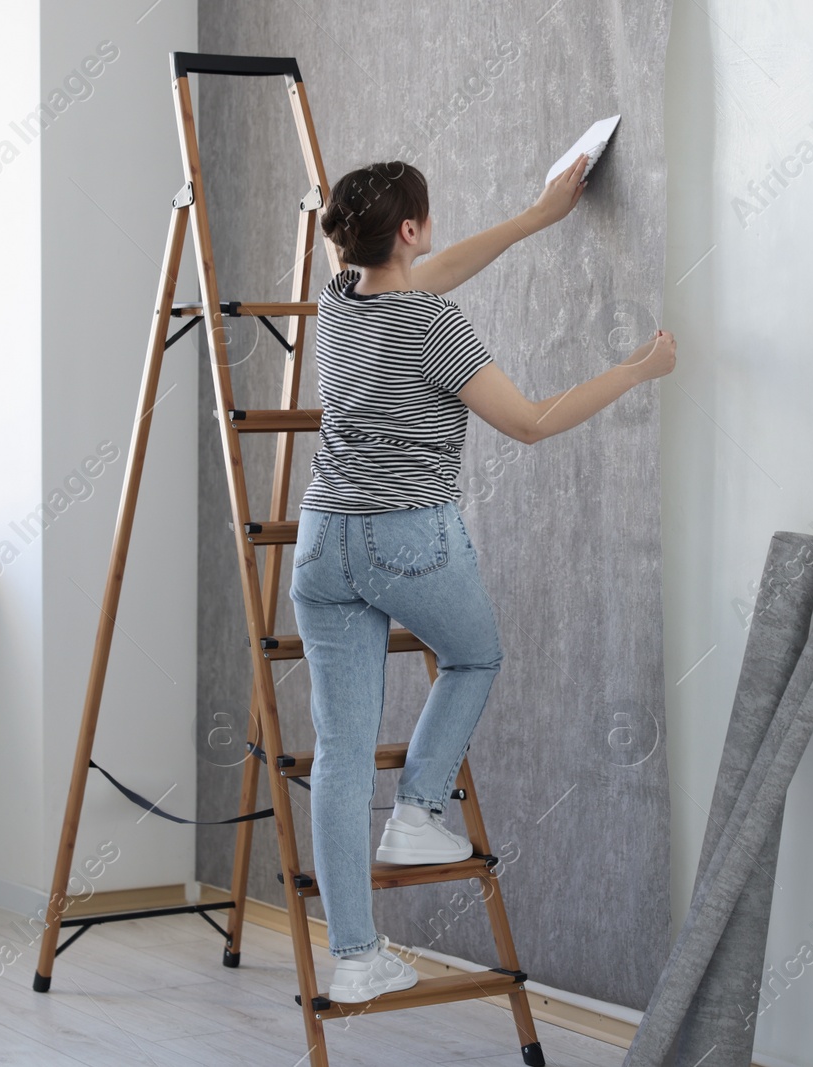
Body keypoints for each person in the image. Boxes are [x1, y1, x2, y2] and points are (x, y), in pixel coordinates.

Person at [288, 156, 676, 1004]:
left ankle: (353, 957)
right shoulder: (436, 327)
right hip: (406, 538)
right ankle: (420, 809)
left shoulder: (337, 304)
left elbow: (422, 272)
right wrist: (637, 372)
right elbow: (532, 423)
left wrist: (538, 216)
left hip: (319, 545)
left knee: (341, 753)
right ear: (412, 230)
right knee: (474, 657)